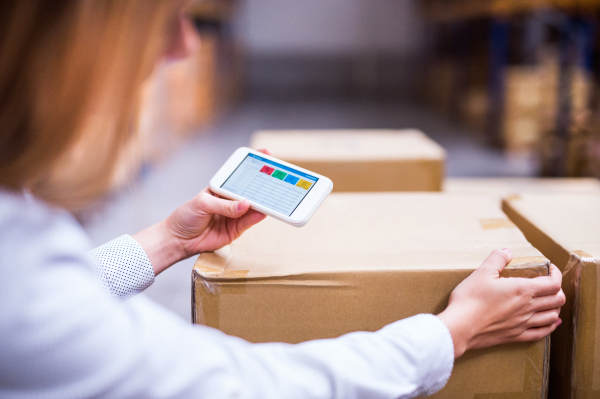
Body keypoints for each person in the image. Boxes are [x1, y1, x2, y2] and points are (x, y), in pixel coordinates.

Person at [0, 1, 565, 398]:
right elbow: (245, 387)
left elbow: (40, 307)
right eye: (164, 16)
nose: (186, 44)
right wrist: (454, 330)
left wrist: (164, 242)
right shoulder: (25, 270)